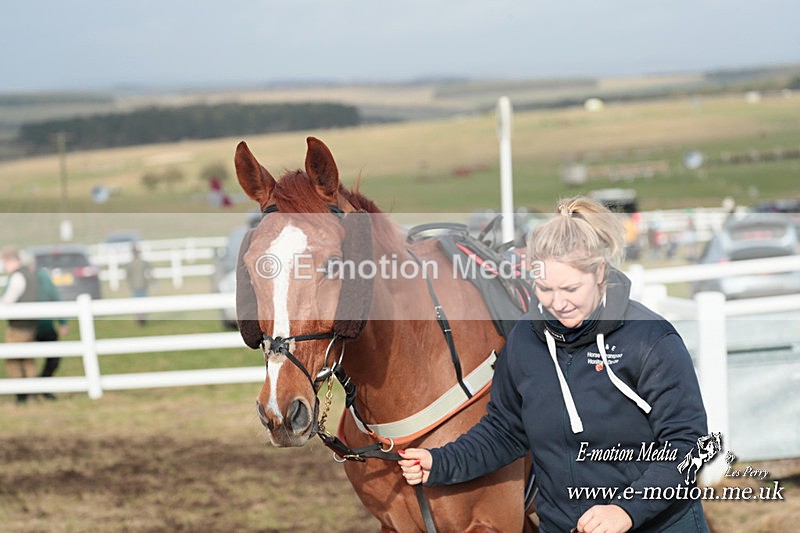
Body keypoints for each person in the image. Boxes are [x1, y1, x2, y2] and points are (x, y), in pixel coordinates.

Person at [399, 197, 710, 532]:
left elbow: (688, 444)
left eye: (571, 288)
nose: (558, 302)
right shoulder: (524, 341)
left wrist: (626, 511)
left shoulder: (651, 340)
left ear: (600, 273)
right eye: (544, 288)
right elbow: (504, 432)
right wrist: (441, 462)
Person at [1, 246, 40, 404]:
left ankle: (21, 396)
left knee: (13, 360)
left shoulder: (17, 277)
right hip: (30, 325)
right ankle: (33, 394)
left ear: (11, 260)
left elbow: (8, 301)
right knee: (28, 360)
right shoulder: (30, 274)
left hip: (19, 326)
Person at [34, 263, 69, 400]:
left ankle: (43, 385)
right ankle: (26, 393)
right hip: (27, 326)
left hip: (45, 325)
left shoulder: (43, 277)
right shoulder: (20, 277)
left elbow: (55, 297)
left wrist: (62, 321)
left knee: (53, 358)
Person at [124, 245, 152, 325]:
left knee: (138, 303)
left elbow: (127, 276)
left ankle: (140, 318)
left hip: (136, 286)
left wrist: (130, 284)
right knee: (142, 303)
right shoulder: (143, 263)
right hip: (141, 285)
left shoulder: (130, 264)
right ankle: (141, 318)